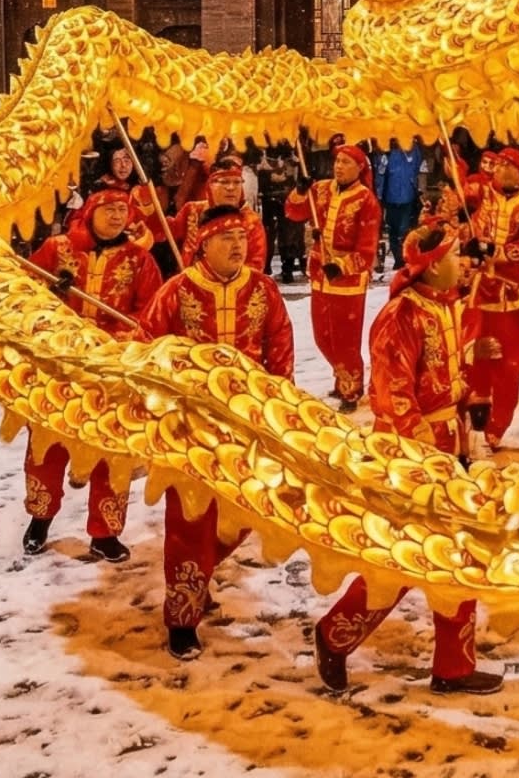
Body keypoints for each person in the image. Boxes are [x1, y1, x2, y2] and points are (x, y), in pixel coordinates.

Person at [311, 225, 500, 695]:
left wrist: (472, 379)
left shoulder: (446, 305)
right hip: (414, 455)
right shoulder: (401, 316)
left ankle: (454, 666)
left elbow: (443, 370)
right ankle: (335, 635)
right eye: (455, 255)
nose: (463, 262)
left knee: (455, 557)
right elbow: (394, 395)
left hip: (449, 443)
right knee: (402, 561)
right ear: (434, 265)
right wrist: (423, 458)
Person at [144, 204, 294, 660]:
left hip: (247, 428)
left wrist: (279, 411)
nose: (237, 246)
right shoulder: (176, 292)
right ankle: (182, 616)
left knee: (247, 514)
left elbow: (281, 350)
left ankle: (197, 574)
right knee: (189, 525)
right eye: (226, 238)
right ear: (203, 244)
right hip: (190, 430)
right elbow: (145, 352)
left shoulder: (264, 290)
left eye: (243, 237)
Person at [21, 186, 160, 563]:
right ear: (91, 211)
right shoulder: (58, 248)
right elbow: (23, 291)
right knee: (47, 448)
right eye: (110, 209)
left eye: (123, 211)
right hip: (59, 366)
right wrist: (51, 290)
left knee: (111, 452)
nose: (117, 217)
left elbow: (150, 313)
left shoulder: (139, 259)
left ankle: (105, 531)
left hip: (110, 371)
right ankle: (40, 518)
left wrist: (119, 339)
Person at [286, 141, 382, 410]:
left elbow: (366, 249)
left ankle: (351, 388)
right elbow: (293, 212)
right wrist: (300, 191)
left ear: (359, 168)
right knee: (322, 335)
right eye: (337, 161)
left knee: (345, 340)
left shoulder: (367, 201)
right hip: (320, 273)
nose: (339, 167)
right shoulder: (322, 189)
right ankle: (342, 377)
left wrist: (342, 265)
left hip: (348, 281)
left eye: (346, 162)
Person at [463, 148, 519, 444]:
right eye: (496, 165)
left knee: (508, 363)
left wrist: (492, 252)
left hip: (511, 291)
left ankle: (500, 422)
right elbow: (461, 193)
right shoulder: (482, 193)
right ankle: (478, 405)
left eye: (504, 165)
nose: (498, 169)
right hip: (478, 288)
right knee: (476, 352)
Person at [255, 145, 304, 282]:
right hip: (272, 197)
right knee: (271, 234)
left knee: (286, 234)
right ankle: (268, 267)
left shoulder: (292, 159)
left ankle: (286, 269)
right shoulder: (267, 158)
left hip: (286, 198)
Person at [378, 144, 424, 268]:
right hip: (391, 198)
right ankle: (398, 259)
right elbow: (381, 174)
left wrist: (422, 193)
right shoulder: (387, 152)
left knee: (403, 230)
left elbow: (420, 170)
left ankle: (403, 258)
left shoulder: (415, 150)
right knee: (393, 229)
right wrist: (379, 195)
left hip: (407, 197)